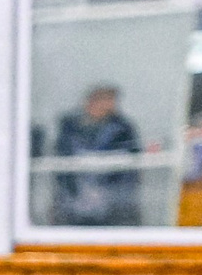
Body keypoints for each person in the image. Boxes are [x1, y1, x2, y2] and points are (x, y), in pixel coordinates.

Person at [52, 83, 140, 226]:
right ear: (91, 101)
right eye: (104, 100)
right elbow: (62, 163)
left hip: (110, 201)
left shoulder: (123, 128)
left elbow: (131, 162)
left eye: (111, 101)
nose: (109, 105)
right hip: (74, 201)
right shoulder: (70, 127)